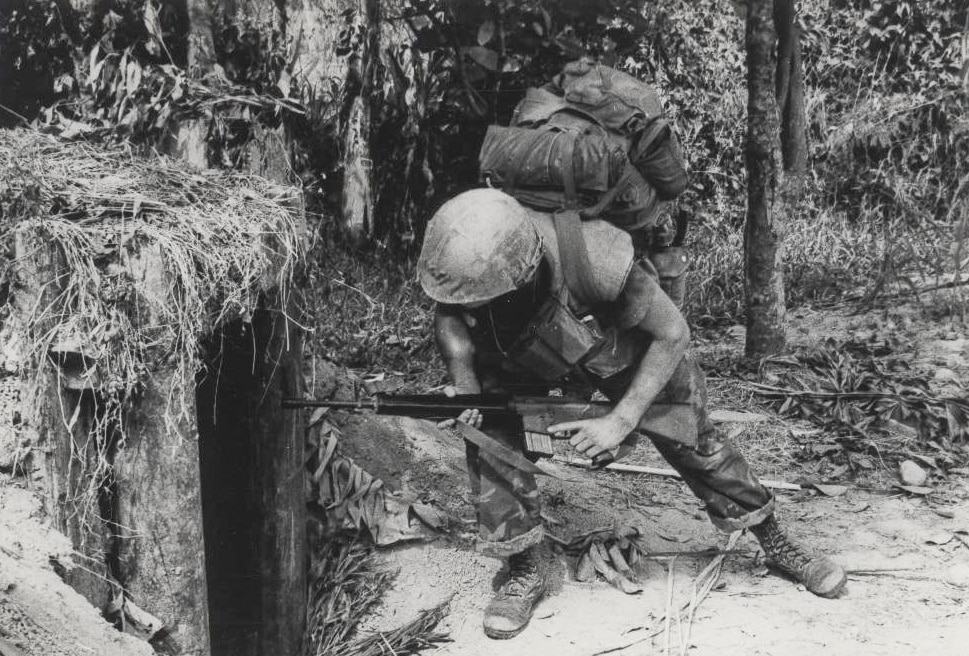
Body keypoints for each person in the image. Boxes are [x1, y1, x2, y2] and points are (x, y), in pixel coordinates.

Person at [417, 188, 847, 640]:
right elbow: (449, 315)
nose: (467, 309)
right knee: (491, 436)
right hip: (531, 353)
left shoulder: (597, 261)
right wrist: (465, 387)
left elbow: (673, 334)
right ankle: (524, 567)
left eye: (475, 302)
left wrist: (620, 421)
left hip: (629, 351)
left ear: (522, 270)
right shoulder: (470, 270)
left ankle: (774, 538)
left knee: (692, 435)